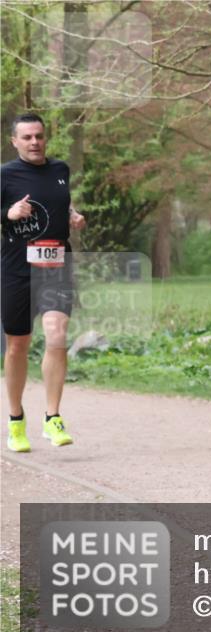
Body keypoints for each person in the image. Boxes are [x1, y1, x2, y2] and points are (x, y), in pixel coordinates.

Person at [2, 113, 86, 453]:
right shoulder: (5, 175)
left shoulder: (60, 170)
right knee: (17, 346)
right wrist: (8, 214)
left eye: (39, 136)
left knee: (57, 335)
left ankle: (52, 418)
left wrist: (73, 216)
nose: (35, 142)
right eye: (27, 137)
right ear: (15, 141)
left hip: (55, 266)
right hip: (16, 270)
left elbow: (62, 203)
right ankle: (16, 420)